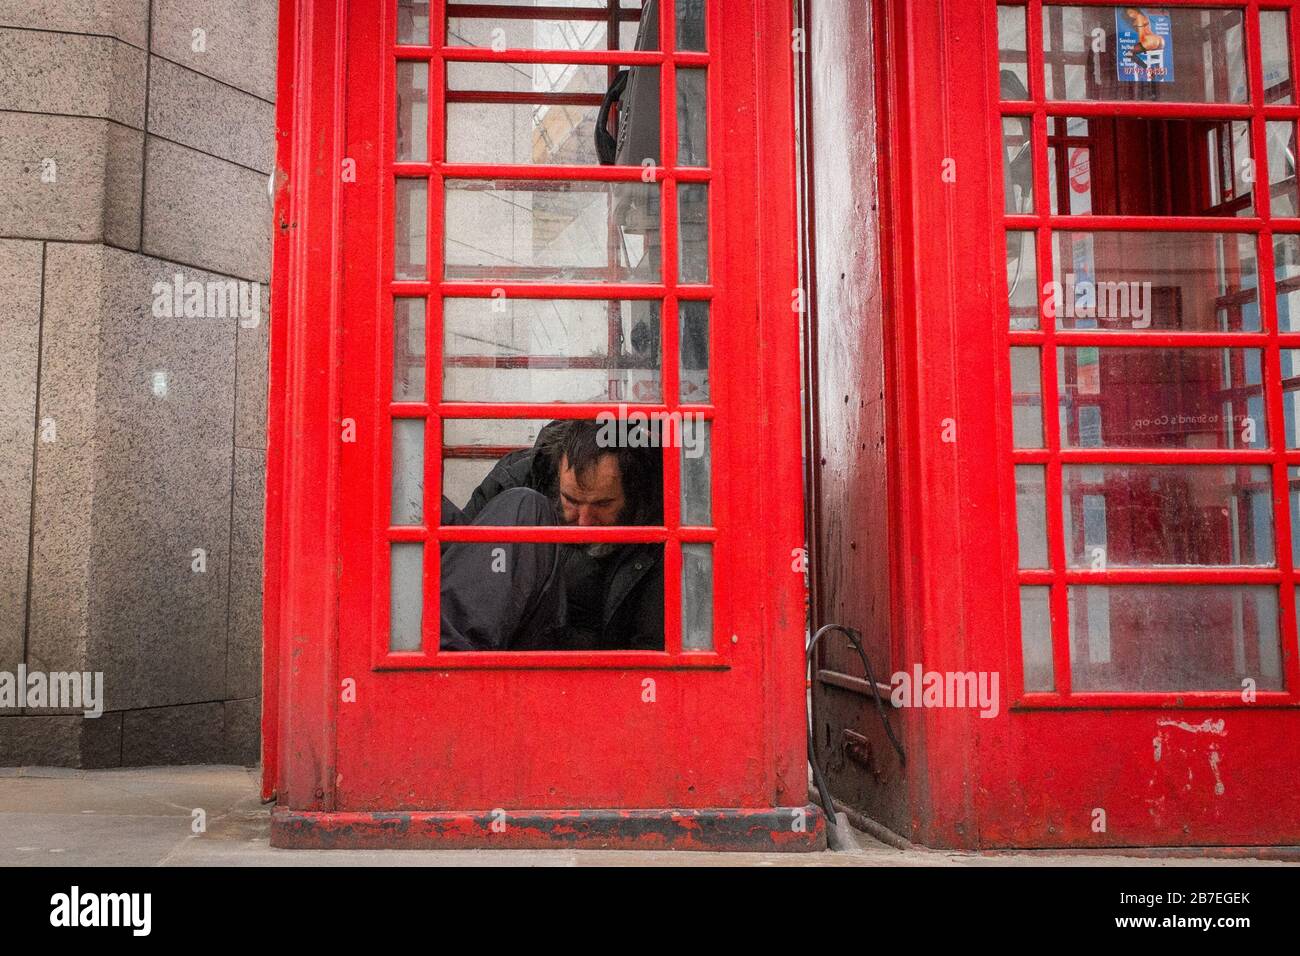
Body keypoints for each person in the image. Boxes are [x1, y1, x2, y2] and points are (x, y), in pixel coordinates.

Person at [439, 419, 664, 652]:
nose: (584, 521)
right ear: (557, 473)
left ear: (632, 490)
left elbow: (654, 649)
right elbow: (465, 565)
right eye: (572, 500)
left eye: (603, 504)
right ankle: (452, 664)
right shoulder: (519, 478)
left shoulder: (657, 528)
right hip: (501, 640)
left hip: (577, 662)